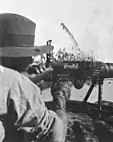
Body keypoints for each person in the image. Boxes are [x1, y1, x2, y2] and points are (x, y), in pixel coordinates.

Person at [0, 13, 73, 142]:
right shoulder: (14, 83)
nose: (31, 59)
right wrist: (60, 99)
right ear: (13, 56)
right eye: (28, 54)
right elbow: (54, 133)